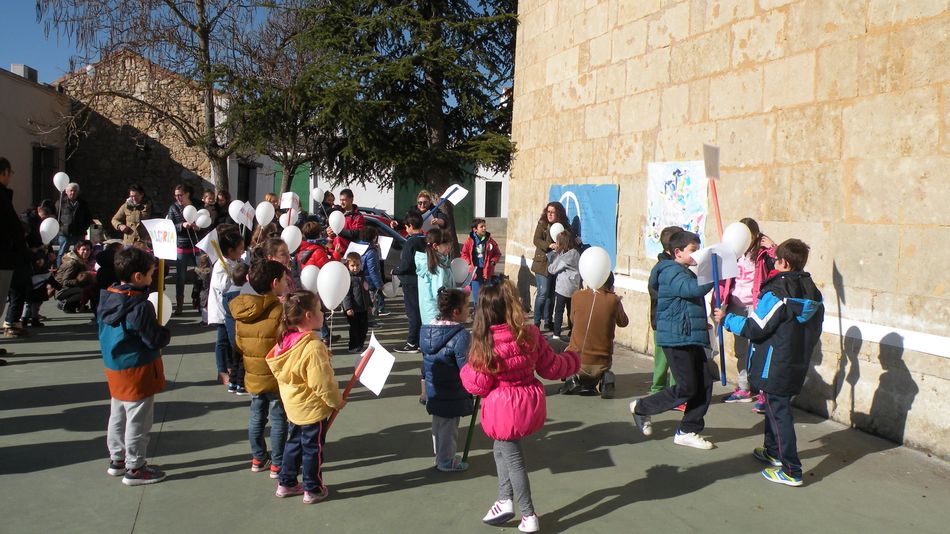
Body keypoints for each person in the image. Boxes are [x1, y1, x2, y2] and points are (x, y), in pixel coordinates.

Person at [460, 280, 579, 533]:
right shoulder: (530, 334)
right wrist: (573, 360)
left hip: (503, 409)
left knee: (514, 460)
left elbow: (478, 386)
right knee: (500, 450)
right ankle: (504, 499)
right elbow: (551, 367)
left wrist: (467, 367)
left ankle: (528, 514)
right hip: (527, 402)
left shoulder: (485, 344)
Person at [715, 239, 823, 487]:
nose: (774, 262)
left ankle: (791, 469)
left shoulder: (776, 293)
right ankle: (773, 451)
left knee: (779, 413)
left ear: (783, 263)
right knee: (775, 409)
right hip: (794, 361)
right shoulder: (812, 291)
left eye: (776, 259)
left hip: (774, 363)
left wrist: (727, 319)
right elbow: (814, 329)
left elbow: (755, 327)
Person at [630, 231, 716, 450]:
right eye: (693, 250)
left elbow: (689, 302)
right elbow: (692, 290)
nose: (696, 254)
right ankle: (642, 407)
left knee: (704, 383)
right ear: (677, 252)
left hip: (689, 335)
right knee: (687, 387)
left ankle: (688, 429)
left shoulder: (684, 271)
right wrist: (714, 275)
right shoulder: (670, 271)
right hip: (676, 338)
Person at [98, 246, 171, 485]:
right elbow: (152, 338)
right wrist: (164, 333)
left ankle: (117, 459)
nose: (152, 278)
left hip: (116, 368)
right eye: (150, 274)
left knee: (117, 414)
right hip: (138, 369)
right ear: (138, 277)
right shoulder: (139, 306)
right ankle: (136, 466)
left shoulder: (108, 297)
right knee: (138, 419)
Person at [266, 290, 343, 503]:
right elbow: (323, 383)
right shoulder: (312, 347)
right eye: (319, 310)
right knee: (313, 450)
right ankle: (313, 488)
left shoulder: (285, 341)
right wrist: (336, 401)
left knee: (293, 444)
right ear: (308, 316)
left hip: (294, 406)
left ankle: (287, 482)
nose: (323, 314)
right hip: (311, 410)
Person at [230, 259, 288, 479]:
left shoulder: (241, 310)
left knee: (256, 415)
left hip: (253, 373)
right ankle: (278, 462)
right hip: (274, 373)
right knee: (278, 417)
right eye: (283, 280)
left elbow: (238, 343)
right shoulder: (279, 311)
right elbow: (285, 343)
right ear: (275, 283)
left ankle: (258, 457)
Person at [719, 218, 777, 414]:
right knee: (741, 350)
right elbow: (723, 279)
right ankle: (744, 387)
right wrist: (719, 303)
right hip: (736, 305)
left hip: (756, 307)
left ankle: (763, 392)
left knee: (760, 350)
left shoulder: (762, 254)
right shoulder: (733, 253)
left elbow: (781, 265)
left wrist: (772, 248)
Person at [420, 288, 473, 471]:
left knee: (438, 424)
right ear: (456, 312)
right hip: (452, 390)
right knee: (449, 428)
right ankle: (446, 461)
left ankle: (440, 456)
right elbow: (465, 366)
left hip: (435, 387)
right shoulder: (461, 336)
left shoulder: (428, 331)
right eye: (467, 307)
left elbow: (425, 362)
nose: (469, 310)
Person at [561, 273, 629, 398]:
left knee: (564, 348)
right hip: (602, 362)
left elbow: (572, 319)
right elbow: (624, 322)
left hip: (576, 362)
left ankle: (571, 378)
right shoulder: (613, 300)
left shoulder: (577, 296)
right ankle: (604, 378)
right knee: (603, 362)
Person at [649, 226, 685, 406]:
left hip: (665, 320)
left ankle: (669, 392)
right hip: (665, 321)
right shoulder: (665, 269)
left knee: (670, 359)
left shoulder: (670, 267)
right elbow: (658, 292)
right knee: (667, 359)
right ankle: (660, 391)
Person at [209, 226, 246, 392]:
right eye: (240, 248)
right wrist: (232, 274)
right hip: (222, 309)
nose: (242, 251)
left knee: (232, 340)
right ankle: (222, 369)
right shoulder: (220, 265)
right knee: (222, 341)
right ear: (230, 251)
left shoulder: (235, 261)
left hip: (232, 309)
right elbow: (222, 286)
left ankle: (230, 367)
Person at [1, 157, 33, 345]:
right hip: (4, 255)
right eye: (10, 173)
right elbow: (10, 227)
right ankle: (11, 322)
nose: (10, 177)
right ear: (4, 172)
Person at [531, 201, 570, 330]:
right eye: (548, 212)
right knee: (543, 293)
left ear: (558, 213)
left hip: (557, 264)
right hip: (542, 263)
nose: (550, 214)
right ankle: (536, 322)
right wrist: (549, 245)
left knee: (551, 295)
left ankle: (548, 321)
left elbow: (569, 237)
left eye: (552, 212)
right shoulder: (542, 224)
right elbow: (536, 240)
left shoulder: (563, 226)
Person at [392, 212, 427, 353]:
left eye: (406, 227)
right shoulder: (426, 240)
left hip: (410, 281)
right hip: (422, 280)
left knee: (413, 313)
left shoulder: (410, 242)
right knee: (420, 311)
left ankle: (412, 342)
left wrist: (396, 270)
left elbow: (406, 264)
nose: (406, 230)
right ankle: (419, 340)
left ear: (411, 226)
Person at [166, 183, 200, 314]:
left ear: (187, 194)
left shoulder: (197, 205)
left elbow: (204, 220)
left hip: (196, 244)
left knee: (200, 274)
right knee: (180, 277)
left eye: (180, 195)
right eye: (176, 196)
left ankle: (196, 300)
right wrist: (182, 225)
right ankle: (179, 305)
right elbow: (170, 226)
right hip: (181, 245)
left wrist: (198, 226)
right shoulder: (173, 207)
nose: (178, 198)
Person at [547, 231, 581, 341]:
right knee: (571, 312)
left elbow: (552, 269)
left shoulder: (564, 257)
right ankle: (573, 332)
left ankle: (557, 333)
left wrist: (553, 255)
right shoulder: (576, 253)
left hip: (563, 288)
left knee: (559, 311)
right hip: (574, 287)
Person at [415, 228, 454, 325]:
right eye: (446, 244)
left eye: (450, 244)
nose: (449, 247)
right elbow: (440, 294)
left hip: (428, 314)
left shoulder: (427, 261)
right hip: (439, 316)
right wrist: (460, 293)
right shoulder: (438, 267)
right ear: (435, 246)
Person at [460, 218, 501, 306]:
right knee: (477, 296)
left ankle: (486, 315)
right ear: (475, 229)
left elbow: (497, 253)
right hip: (475, 271)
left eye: (485, 226)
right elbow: (464, 253)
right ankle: (477, 315)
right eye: (481, 227)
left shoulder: (490, 240)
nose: (484, 228)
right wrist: (469, 263)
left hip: (487, 271)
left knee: (487, 296)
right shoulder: (469, 241)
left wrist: (493, 261)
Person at [223, 262, 249, 395]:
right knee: (243, 361)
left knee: (234, 360)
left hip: (232, 334)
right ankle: (241, 384)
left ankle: (232, 383)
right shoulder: (244, 295)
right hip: (243, 334)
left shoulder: (227, 295)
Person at [56, 182, 93, 267]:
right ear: (66, 191)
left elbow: (88, 218)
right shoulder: (61, 203)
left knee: (80, 253)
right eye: (71, 190)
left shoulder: (83, 204)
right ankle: (59, 271)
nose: (73, 193)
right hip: (64, 233)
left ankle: (78, 270)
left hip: (79, 233)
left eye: (75, 191)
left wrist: (83, 227)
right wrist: (60, 228)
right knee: (62, 253)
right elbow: (56, 216)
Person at [53, 239, 96, 313]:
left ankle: (75, 305)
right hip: (61, 290)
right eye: (83, 249)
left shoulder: (81, 260)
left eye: (88, 250)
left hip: (68, 288)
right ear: (78, 249)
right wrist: (82, 281)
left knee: (88, 286)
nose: (86, 252)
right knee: (86, 289)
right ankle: (64, 303)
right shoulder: (73, 263)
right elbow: (65, 281)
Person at [341, 252, 372, 354]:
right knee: (355, 328)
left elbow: (366, 292)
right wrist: (348, 308)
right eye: (352, 266)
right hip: (353, 309)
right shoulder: (348, 278)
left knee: (364, 327)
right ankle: (353, 345)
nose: (355, 268)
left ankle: (360, 344)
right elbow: (346, 294)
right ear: (348, 266)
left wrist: (369, 304)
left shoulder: (362, 275)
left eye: (357, 265)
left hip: (362, 307)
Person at [359, 227, 387, 320]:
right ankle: (371, 321)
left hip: (360, 280)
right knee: (372, 303)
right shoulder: (371, 251)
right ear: (373, 237)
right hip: (370, 282)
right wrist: (379, 285)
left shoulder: (358, 247)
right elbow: (373, 270)